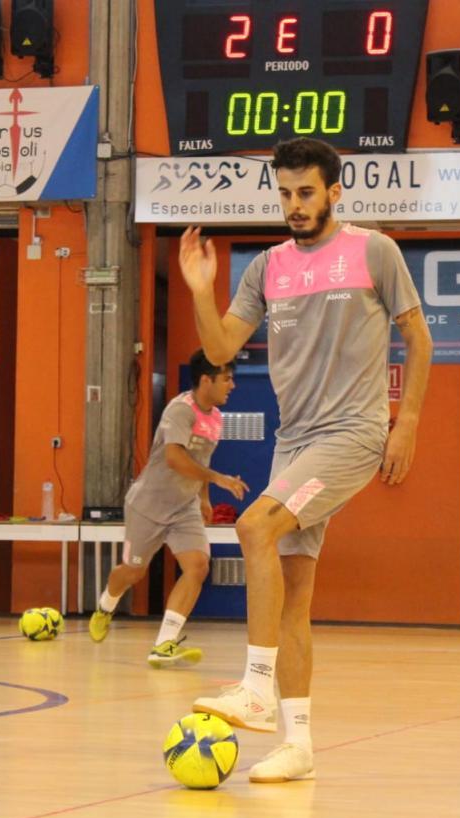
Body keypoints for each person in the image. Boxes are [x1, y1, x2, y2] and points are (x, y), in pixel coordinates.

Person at [178, 137, 432, 782]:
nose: (294, 204)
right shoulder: (266, 267)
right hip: (294, 440)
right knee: (293, 594)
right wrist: (201, 290)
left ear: (334, 190)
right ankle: (298, 744)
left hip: (352, 432)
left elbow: (418, 337)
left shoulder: (375, 250)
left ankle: (256, 686)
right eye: (285, 193)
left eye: (306, 192)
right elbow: (220, 346)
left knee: (253, 525)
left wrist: (406, 425)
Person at [88, 350, 247, 666]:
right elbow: (175, 458)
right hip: (148, 505)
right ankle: (106, 605)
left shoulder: (215, 417)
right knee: (133, 572)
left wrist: (204, 497)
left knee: (198, 566)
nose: (232, 386)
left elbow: (199, 461)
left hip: (184, 507)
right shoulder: (180, 411)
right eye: (227, 379)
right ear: (206, 380)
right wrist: (218, 480)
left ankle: (164, 643)